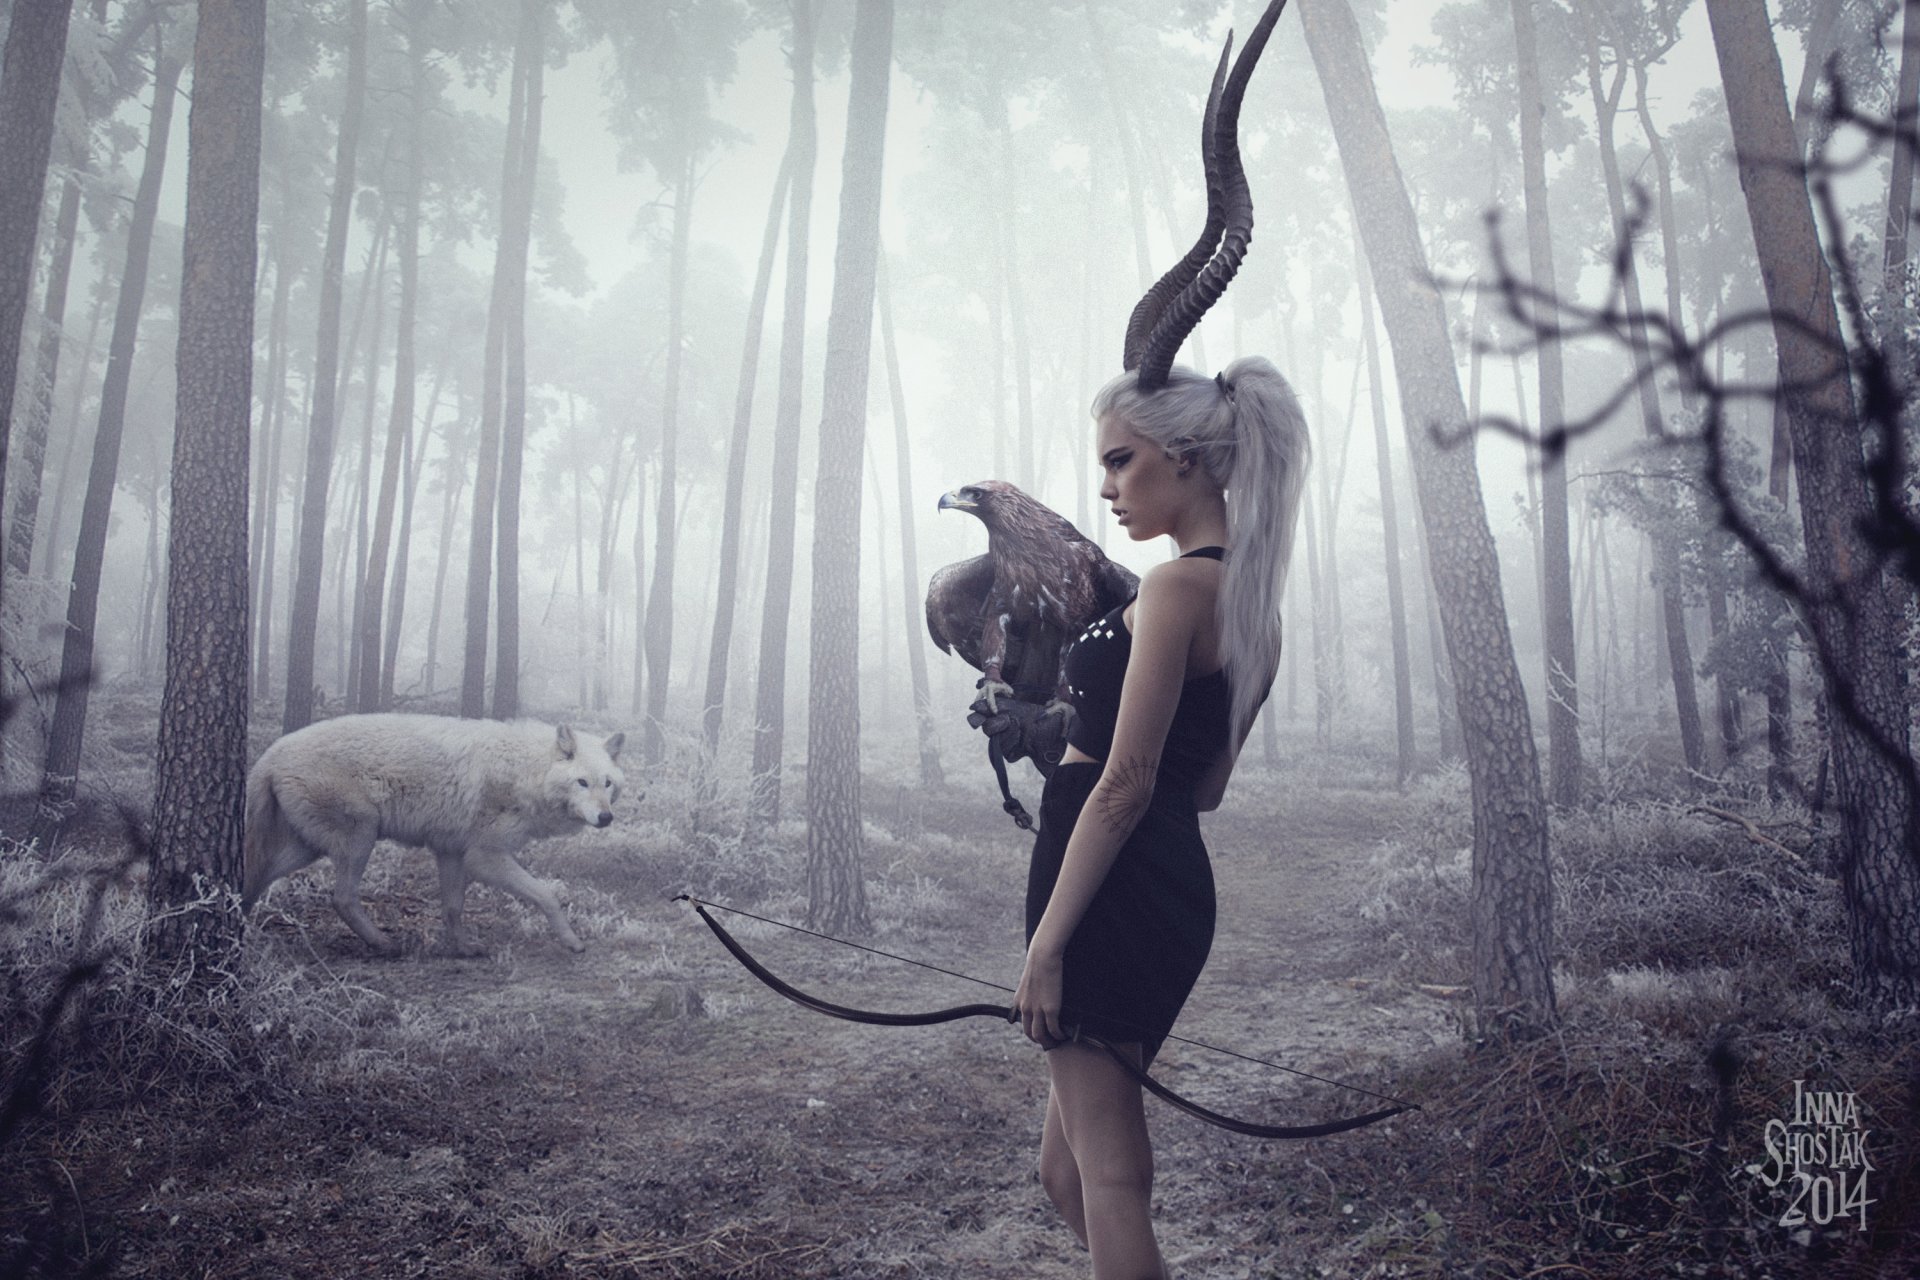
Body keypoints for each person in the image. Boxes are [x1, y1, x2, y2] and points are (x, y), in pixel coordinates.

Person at [967, 6, 1298, 1272]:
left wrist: (1048, 942)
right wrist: (1054, 724)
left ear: (1189, 459)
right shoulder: (1243, 601)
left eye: (1121, 460)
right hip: (1158, 880)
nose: (1105, 485)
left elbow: (1131, 785)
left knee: (1109, 1173)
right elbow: (1196, 785)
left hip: (1105, 886)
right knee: (1066, 1170)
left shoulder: (1174, 593)